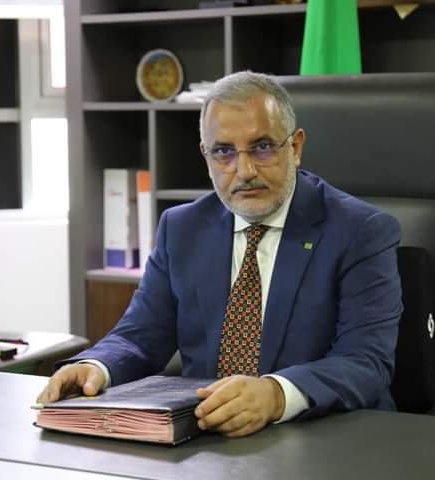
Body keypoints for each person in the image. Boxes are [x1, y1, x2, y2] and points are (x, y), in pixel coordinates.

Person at [38, 71, 403, 438]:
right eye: (224, 152)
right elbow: (139, 336)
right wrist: (96, 366)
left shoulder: (360, 231)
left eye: (262, 147)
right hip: (208, 435)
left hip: (324, 438)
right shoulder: (182, 229)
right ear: (206, 155)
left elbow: (365, 362)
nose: (244, 171)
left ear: (295, 147)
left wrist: (276, 394)